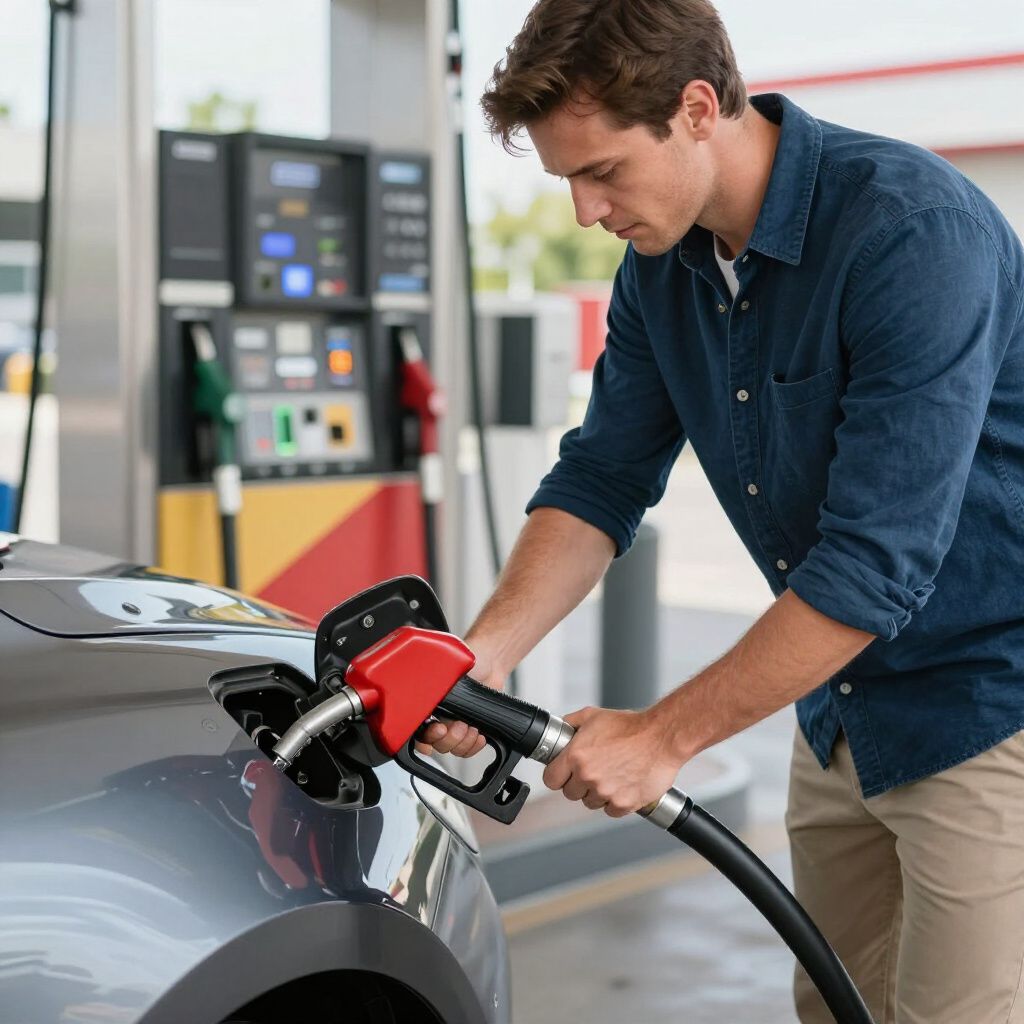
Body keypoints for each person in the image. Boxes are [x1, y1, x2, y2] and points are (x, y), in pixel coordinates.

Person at [419, 1, 1024, 1020]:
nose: (583, 210)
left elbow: (871, 567)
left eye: (602, 170)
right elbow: (600, 478)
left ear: (697, 108)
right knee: (835, 1004)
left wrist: (660, 737)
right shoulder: (663, 271)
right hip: (838, 713)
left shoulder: (911, 234)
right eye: (567, 178)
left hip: (987, 712)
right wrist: (487, 651)